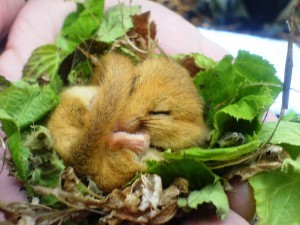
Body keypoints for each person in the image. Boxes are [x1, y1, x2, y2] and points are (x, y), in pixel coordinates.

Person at [0, 0, 254, 224]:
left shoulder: (188, 136)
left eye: (161, 113)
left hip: (101, 161)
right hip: (77, 135)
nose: (129, 114)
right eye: (133, 87)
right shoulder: (112, 87)